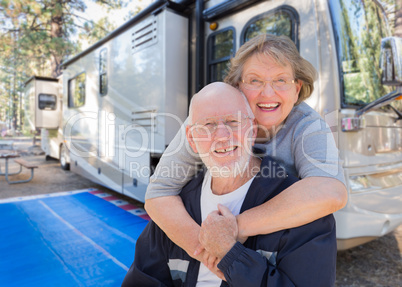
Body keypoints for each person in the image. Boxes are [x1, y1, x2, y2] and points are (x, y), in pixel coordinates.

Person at [145, 34, 347, 266]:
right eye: (255, 80)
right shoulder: (206, 120)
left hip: (276, 249)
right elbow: (158, 192)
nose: (268, 94)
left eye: (281, 80)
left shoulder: (307, 124)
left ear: (297, 88)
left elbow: (332, 191)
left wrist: (235, 227)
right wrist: (207, 252)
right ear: (237, 86)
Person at [121, 82, 337, 286]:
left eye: (233, 122)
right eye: (208, 125)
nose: (222, 136)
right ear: (191, 138)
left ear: (253, 131)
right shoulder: (175, 211)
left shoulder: (302, 211)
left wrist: (232, 256)